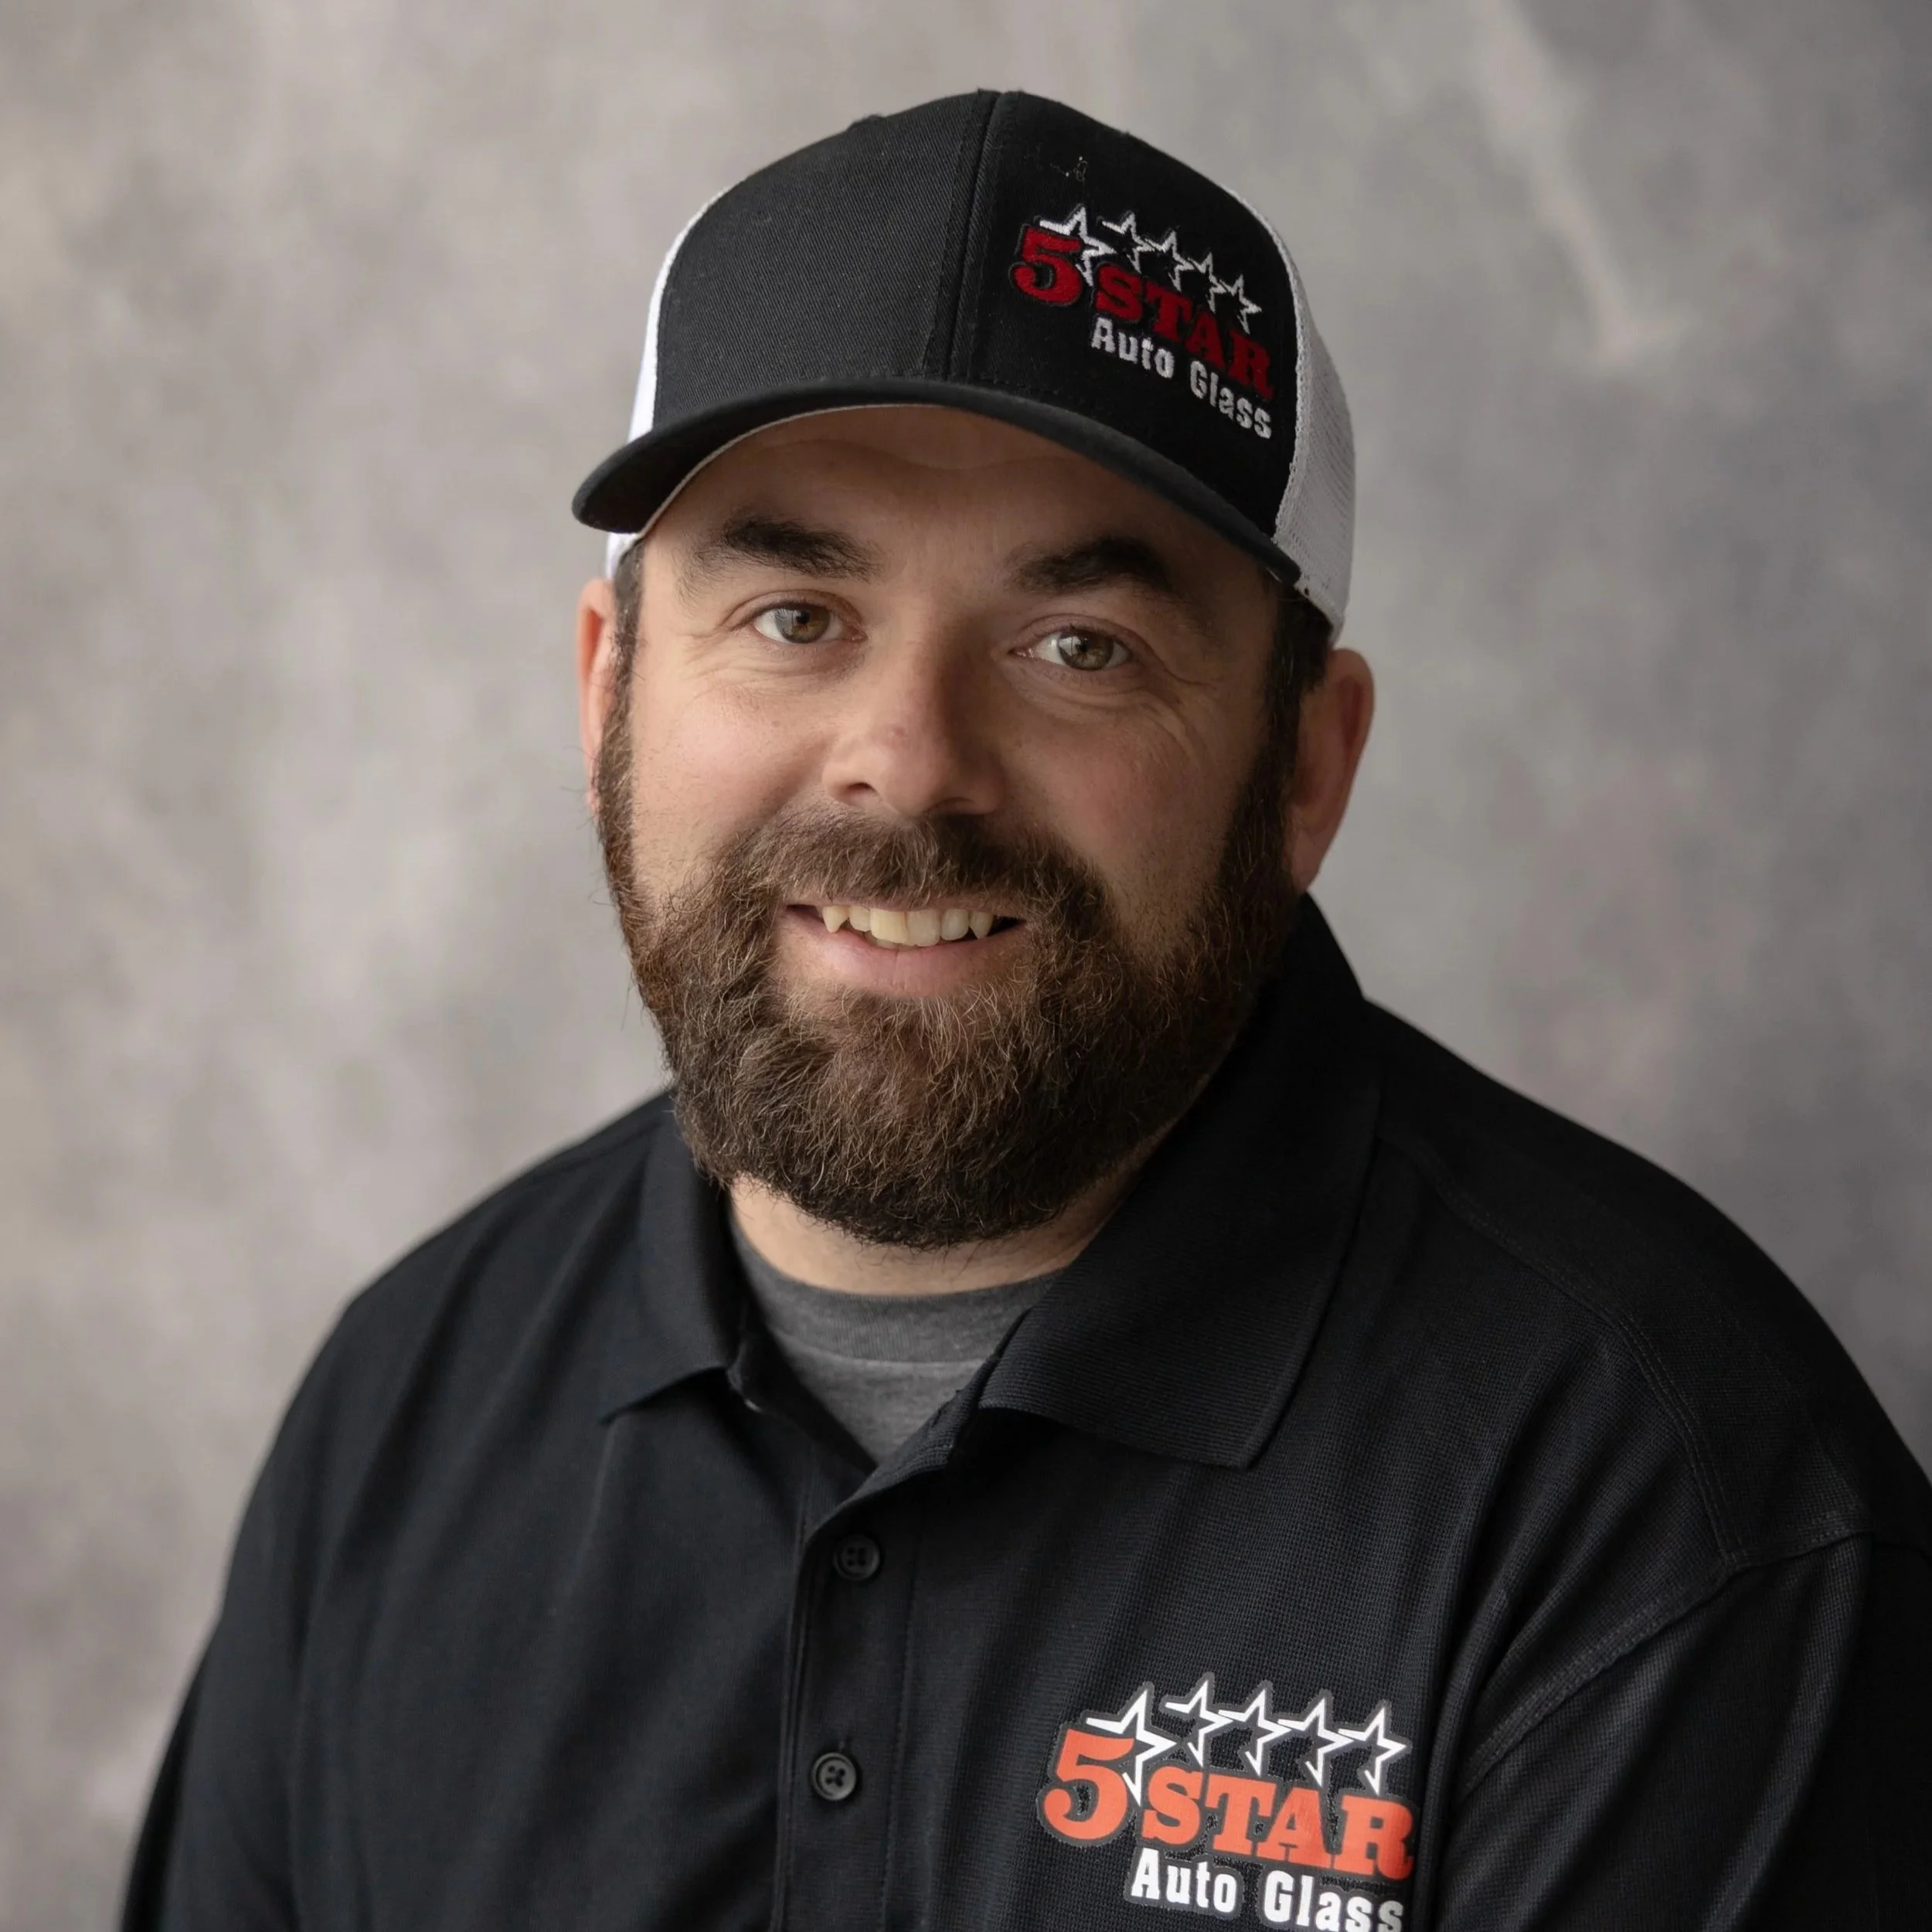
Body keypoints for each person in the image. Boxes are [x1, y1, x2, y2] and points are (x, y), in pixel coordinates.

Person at [124, 91, 1930, 1932]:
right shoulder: (402, 1414)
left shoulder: (1668, 1516)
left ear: (1303, 767)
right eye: (791, 613)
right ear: (606, 696)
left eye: (1081, 648)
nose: (908, 766)